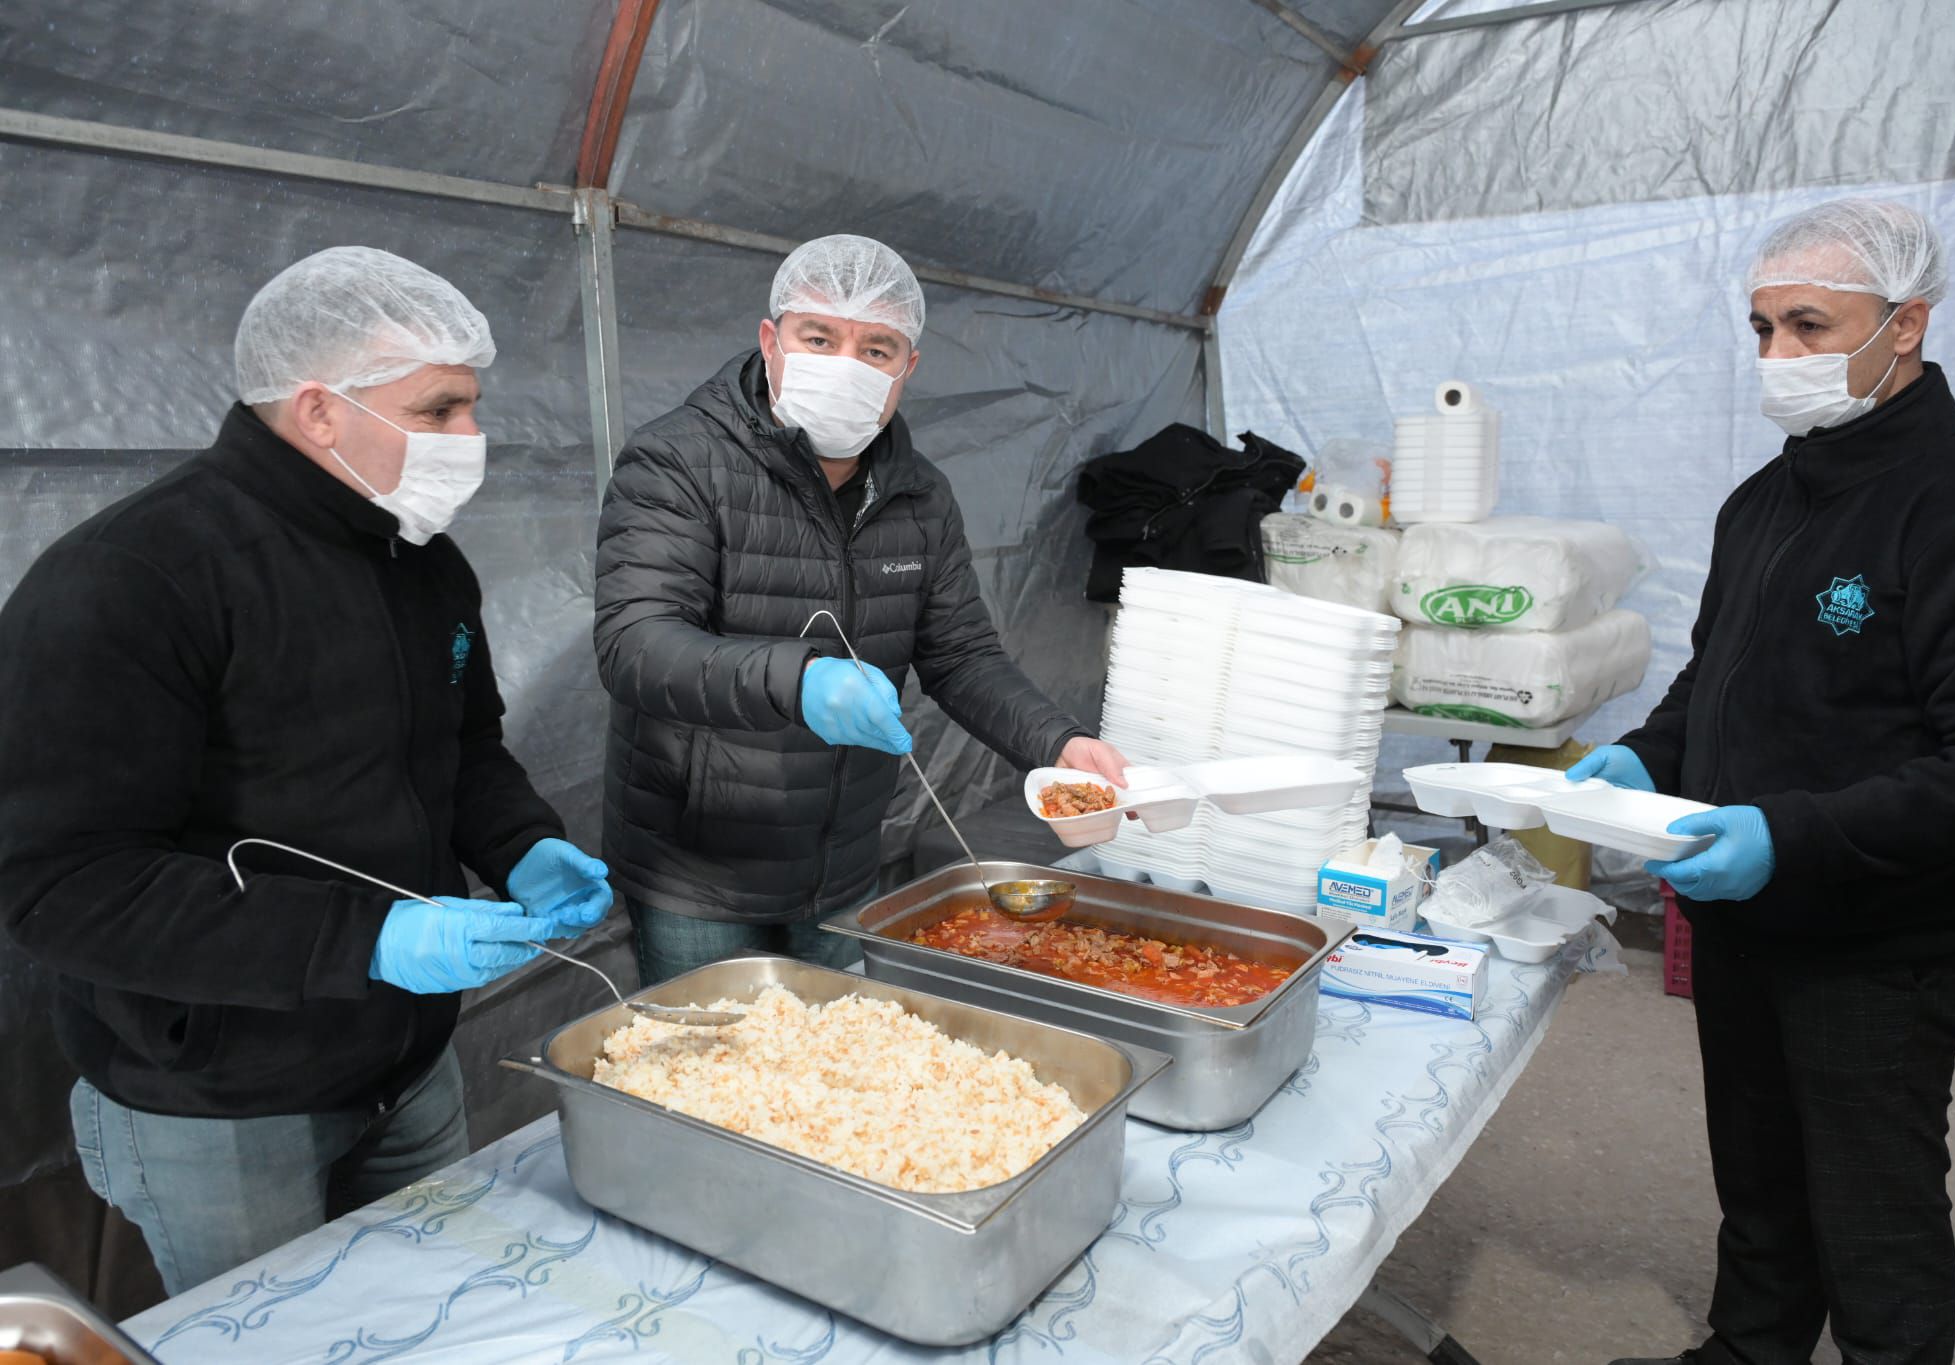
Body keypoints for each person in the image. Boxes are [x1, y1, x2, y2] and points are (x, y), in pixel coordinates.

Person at [0, 246, 612, 1295]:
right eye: (439, 409)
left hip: (406, 1066)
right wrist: (369, 939)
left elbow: (462, 748)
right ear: (321, 410)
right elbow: (61, 883)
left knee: (436, 1310)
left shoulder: (422, 561)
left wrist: (523, 844)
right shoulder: (134, 578)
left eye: (472, 406)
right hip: (223, 1102)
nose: (472, 437)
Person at [1577, 201, 1955, 1365]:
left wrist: (1787, 837)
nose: (1777, 355)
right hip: (1739, 922)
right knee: (1758, 1186)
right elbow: (1717, 680)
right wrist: (1648, 755)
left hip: (1875, 946)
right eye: (1760, 328)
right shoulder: (1762, 503)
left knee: (1872, 1217)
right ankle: (1747, 1352)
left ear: (1904, 326)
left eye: (1807, 325)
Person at [594, 233, 1126, 984]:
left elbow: (961, 655)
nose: (846, 365)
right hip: (699, 873)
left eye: (877, 349)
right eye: (820, 339)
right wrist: (799, 680)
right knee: (711, 1052)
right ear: (771, 342)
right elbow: (637, 644)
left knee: (840, 1048)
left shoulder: (919, 494)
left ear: (907, 369)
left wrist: (1058, 742)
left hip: (841, 863)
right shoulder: (680, 461)